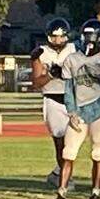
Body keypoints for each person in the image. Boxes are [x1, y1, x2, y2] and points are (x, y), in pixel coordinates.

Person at [45, 19, 100, 199]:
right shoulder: (73, 59)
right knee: (68, 152)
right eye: (86, 36)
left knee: (97, 153)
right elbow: (69, 88)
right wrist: (71, 110)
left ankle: (95, 193)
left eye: (92, 36)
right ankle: (61, 193)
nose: (88, 40)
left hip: (99, 111)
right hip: (79, 111)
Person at [30, 17, 77, 189]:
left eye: (61, 37)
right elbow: (36, 82)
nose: (58, 41)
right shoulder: (42, 52)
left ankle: (59, 172)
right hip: (53, 99)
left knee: (73, 142)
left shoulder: (75, 49)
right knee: (60, 142)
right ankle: (64, 178)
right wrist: (51, 75)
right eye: (54, 37)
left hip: (73, 98)